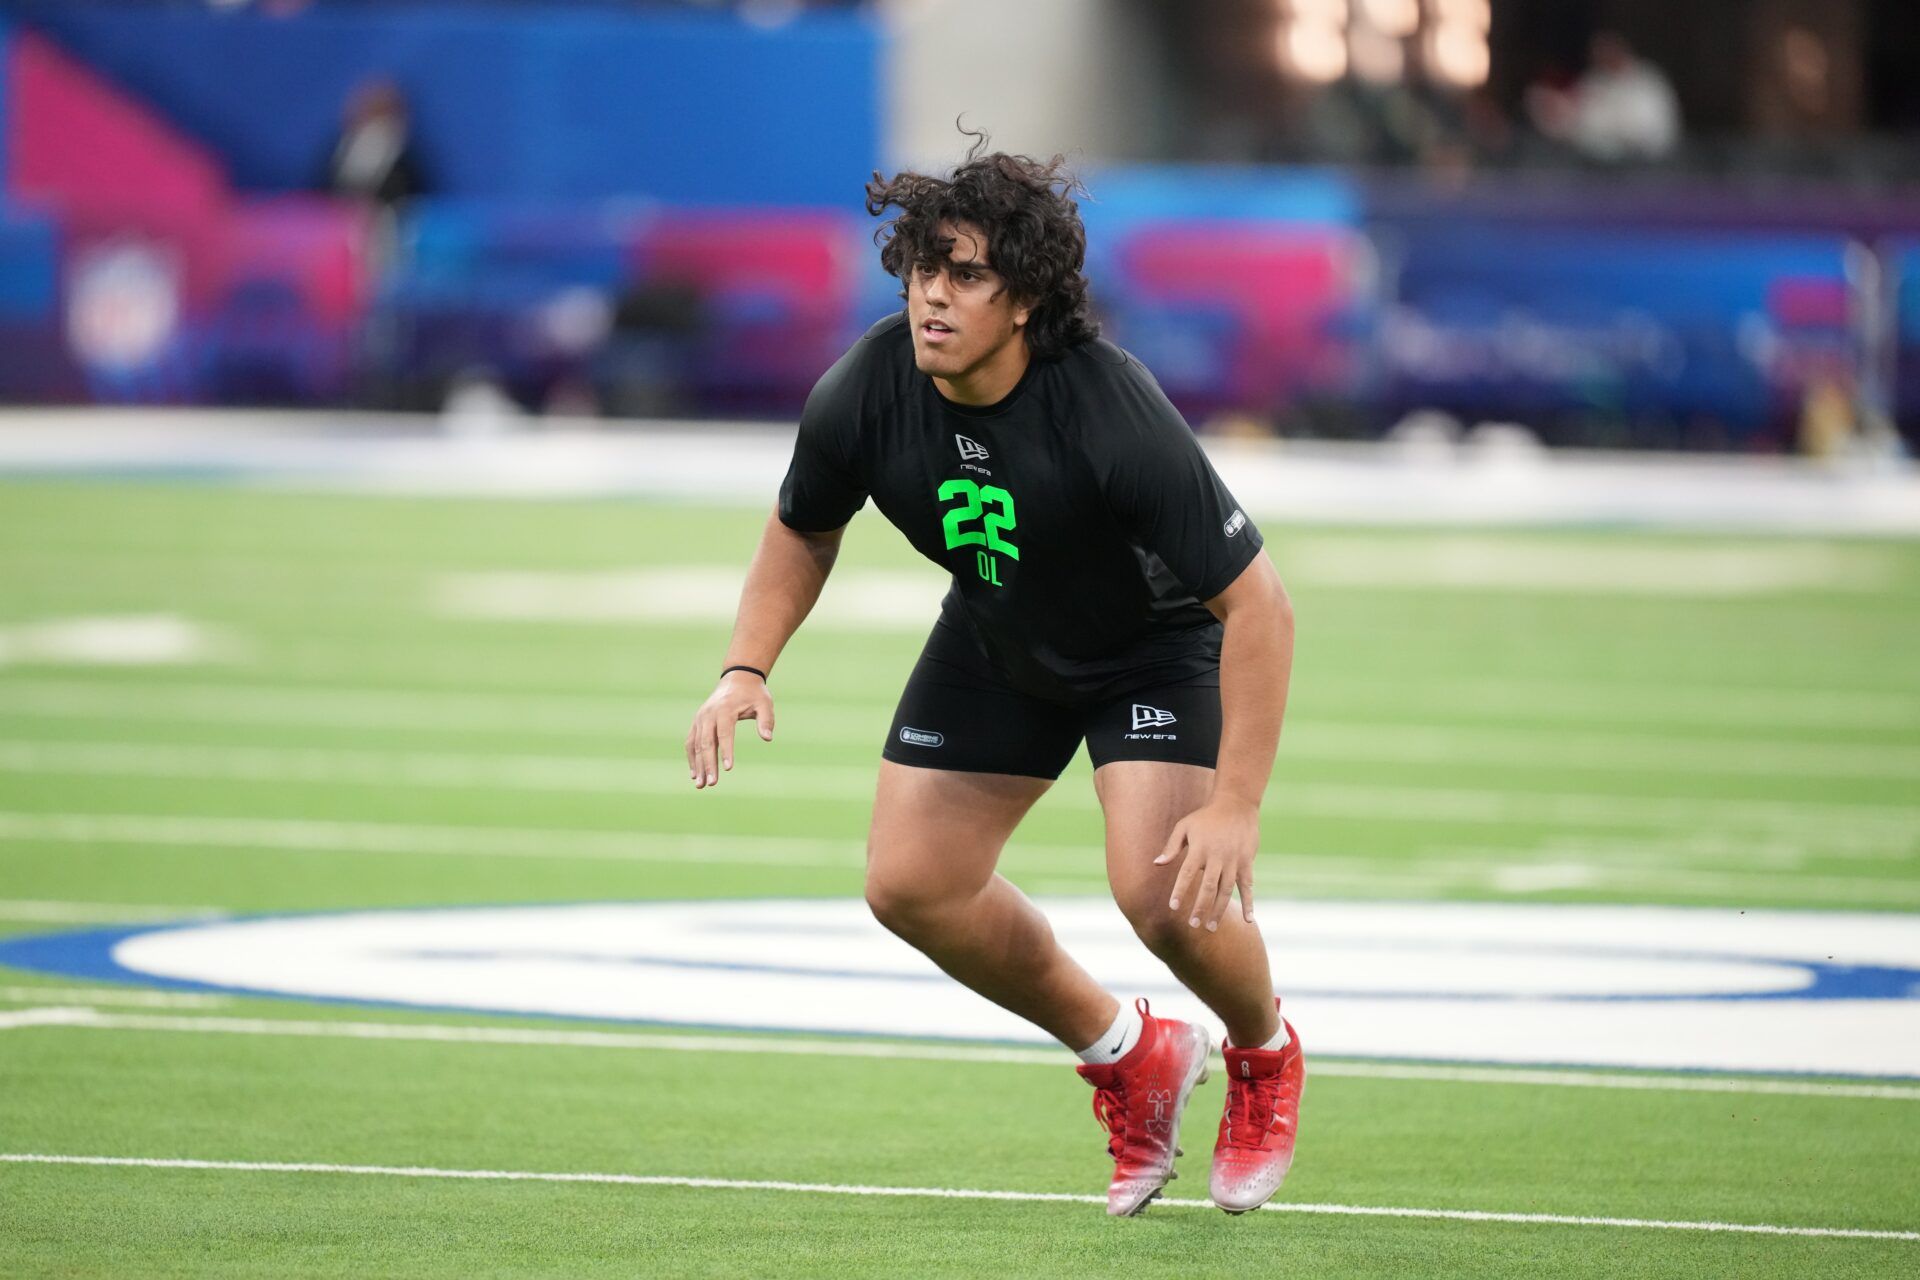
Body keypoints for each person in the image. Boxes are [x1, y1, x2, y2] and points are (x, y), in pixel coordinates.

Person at [685, 135, 1302, 1217]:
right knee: (910, 883)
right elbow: (801, 528)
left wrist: (1237, 803)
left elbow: (1258, 603)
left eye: (965, 273)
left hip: (1145, 649)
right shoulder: (869, 385)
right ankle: (1131, 1053)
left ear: (1023, 297)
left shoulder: (1107, 405)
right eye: (924, 268)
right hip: (998, 634)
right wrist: (744, 666)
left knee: (1159, 894)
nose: (933, 295)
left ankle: (1262, 1052)